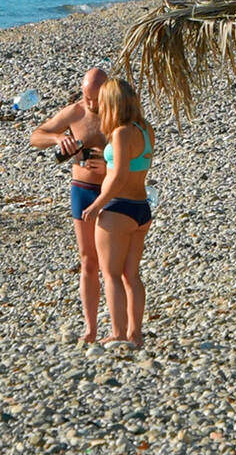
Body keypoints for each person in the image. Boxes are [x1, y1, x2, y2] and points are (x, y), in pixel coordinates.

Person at [30, 67, 108, 342]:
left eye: (95, 99)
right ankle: (90, 328)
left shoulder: (119, 112)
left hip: (112, 191)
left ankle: (123, 328)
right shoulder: (75, 112)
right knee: (88, 259)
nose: (90, 104)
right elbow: (36, 136)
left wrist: (110, 162)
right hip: (83, 189)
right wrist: (58, 138)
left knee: (113, 263)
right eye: (86, 97)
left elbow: (140, 148)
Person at [82, 78, 155, 347]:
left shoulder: (122, 132)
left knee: (111, 274)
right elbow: (134, 166)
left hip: (119, 208)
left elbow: (119, 175)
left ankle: (118, 332)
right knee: (131, 275)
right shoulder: (145, 130)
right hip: (141, 207)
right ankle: (136, 334)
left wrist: (97, 203)